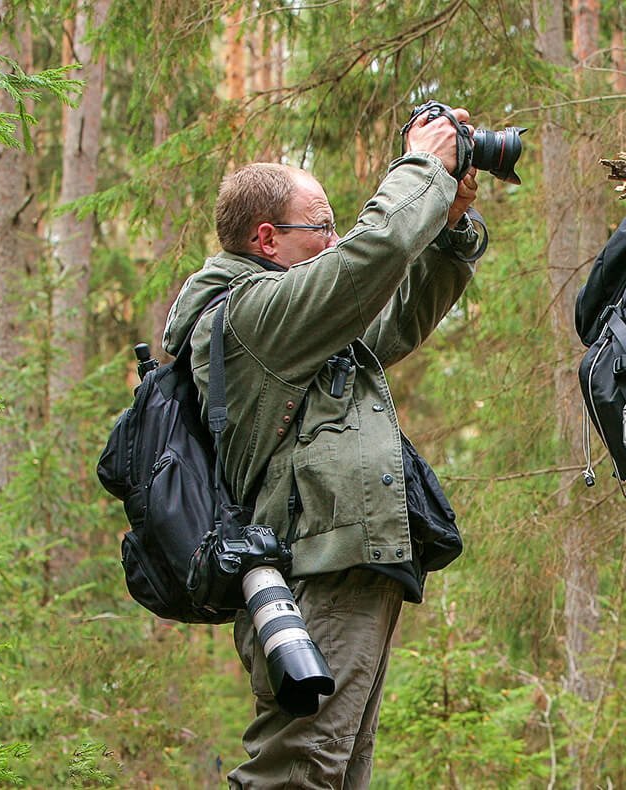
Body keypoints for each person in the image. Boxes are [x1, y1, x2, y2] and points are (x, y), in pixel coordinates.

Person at [161, 107, 488, 789]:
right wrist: (422, 166)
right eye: (323, 228)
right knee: (298, 773)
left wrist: (450, 224)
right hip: (315, 564)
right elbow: (374, 256)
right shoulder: (249, 317)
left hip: (340, 559)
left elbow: (398, 318)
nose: (336, 240)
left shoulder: (299, 330)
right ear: (267, 238)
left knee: (333, 774)